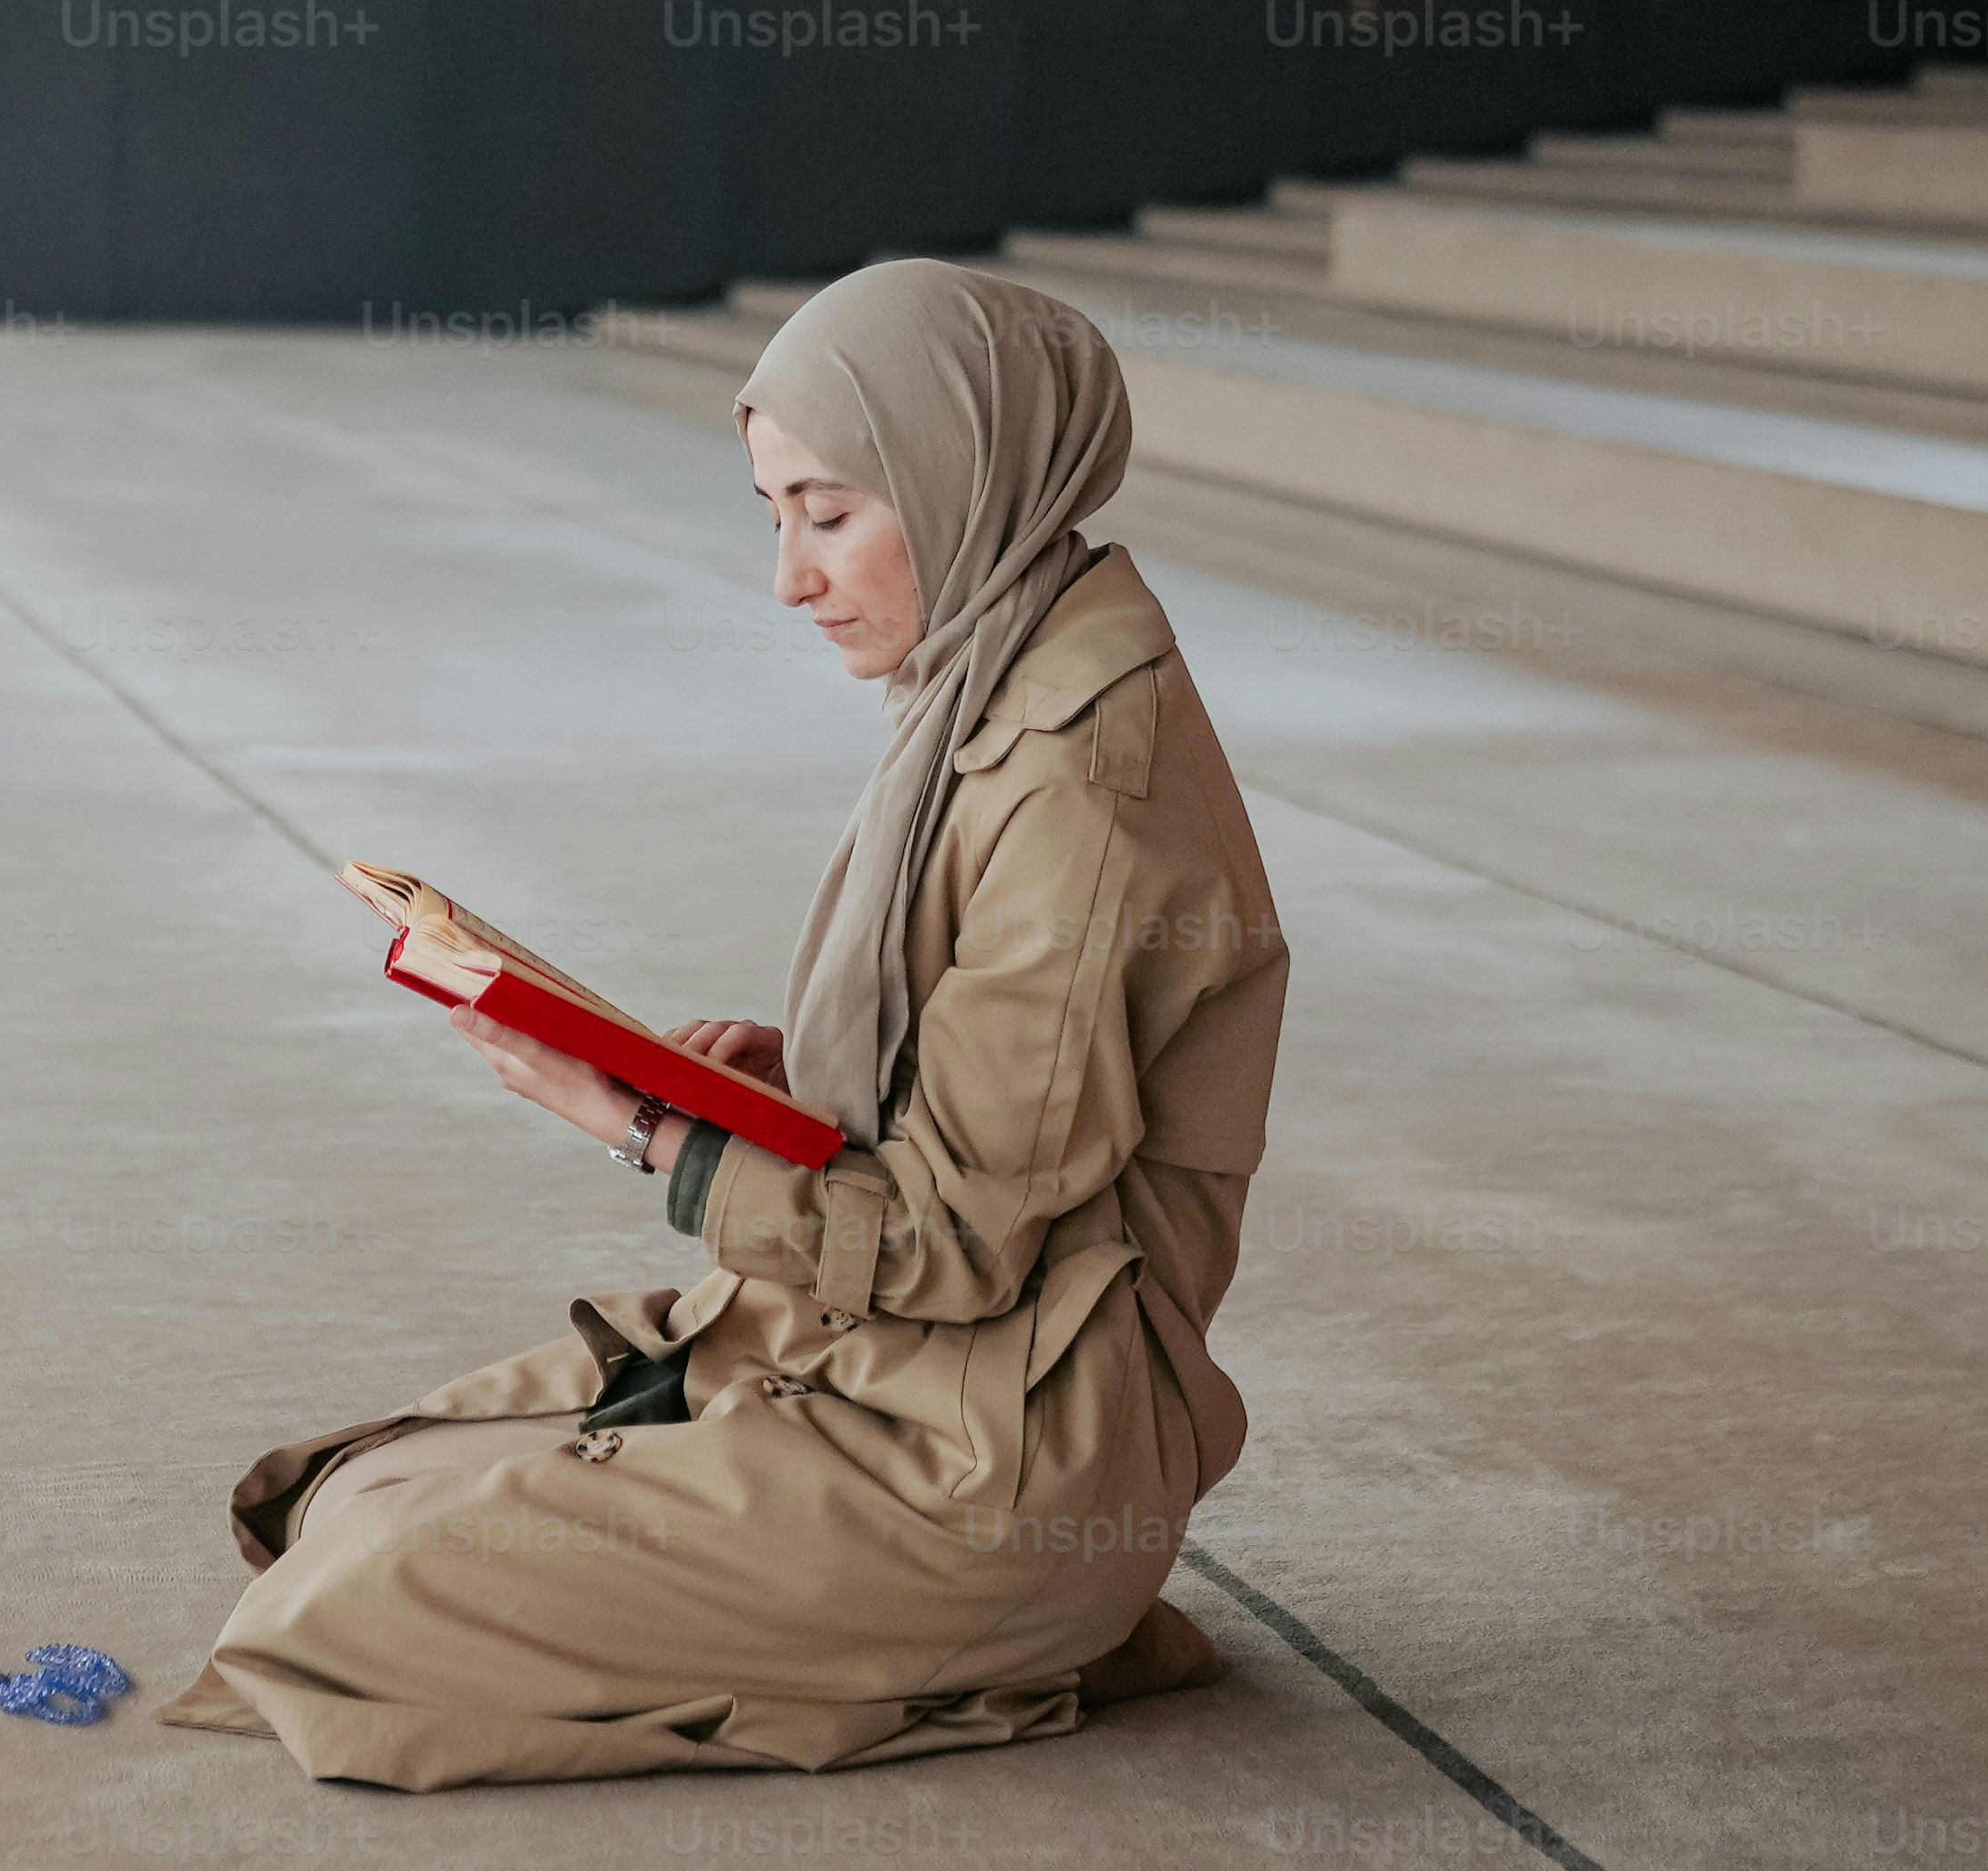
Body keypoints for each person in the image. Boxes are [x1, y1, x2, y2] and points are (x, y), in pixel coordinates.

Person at [161, 258, 1293, 1786]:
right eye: (776, 517)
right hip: (872, 1364)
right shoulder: (996, 671)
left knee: (349, 1609)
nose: (792, 577)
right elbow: (1001, 1094)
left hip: (977, 1468)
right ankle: (944, 1630)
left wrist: (636, 1121)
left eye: (828, 513)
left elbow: (957, 1245)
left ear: (968, 474)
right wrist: (811, 1076)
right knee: (342, 1492)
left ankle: (1006, 1635)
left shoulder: (1078, 786)